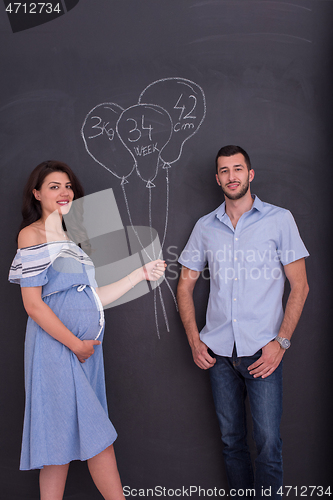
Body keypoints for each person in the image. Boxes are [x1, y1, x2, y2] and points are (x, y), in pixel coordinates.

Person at [8, 160, 166, 500]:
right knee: (96, 439)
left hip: (84, 354)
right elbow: (33, 305)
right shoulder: (31, 234)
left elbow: (95, 296)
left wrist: (140, 274)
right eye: (54, 186)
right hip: (57, 350)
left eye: (68, 186)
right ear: (36, 194)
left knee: (59, 440)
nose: (64, 192)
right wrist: (75, 345)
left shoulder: (74, 241)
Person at [177, 146, 309, 499]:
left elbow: (301, 285)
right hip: (218, 353)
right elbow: (185, 283)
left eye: (238, 169)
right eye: (224, 170)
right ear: (216, 178)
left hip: (262, 351)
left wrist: (280, 342)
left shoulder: (279, 220)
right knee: (231, 441)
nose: (231, 176)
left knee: (267, 443)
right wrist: (193, 338)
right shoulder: (205, 227)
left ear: (250, 175)